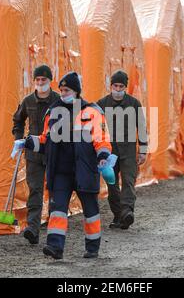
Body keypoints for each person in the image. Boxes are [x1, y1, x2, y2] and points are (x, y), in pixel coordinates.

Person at [14, 72, 113, 259]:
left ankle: (92, 247)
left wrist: (103, 155)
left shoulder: (92, 111)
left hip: (85, 169)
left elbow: (101, 139)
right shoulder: (52, 111)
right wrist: (26, 142)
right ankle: (55, 247)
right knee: (57, 209)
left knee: (90, 210)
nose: (62, 93)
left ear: (76, 91)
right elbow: (45, 140)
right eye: (61, 90)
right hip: (60, 170)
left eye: (66, 90)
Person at [12, 65, 60, 245]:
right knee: (35, 190)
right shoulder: (28, 101)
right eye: (38, 80)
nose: (40, 83)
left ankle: (56, 226)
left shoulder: (58, 100)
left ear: (50, 81)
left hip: (54, 151)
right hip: (33, 153)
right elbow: (18, 120)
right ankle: (33, 228)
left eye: (44, 80)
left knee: (55, 189)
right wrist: (18, 139)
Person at [97, 70, 148, 230]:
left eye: (121, 86)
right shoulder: (101, 104)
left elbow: (142, 126)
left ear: (125, 87)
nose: (118, 89)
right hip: (109, 152)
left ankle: (127, 212)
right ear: (110, 86)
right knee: (112, 185)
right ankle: (118, 216)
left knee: (128, 181)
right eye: (115, 86)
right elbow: (96, 129)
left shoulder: (134, 103)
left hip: (129, 151)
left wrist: (143, 150)